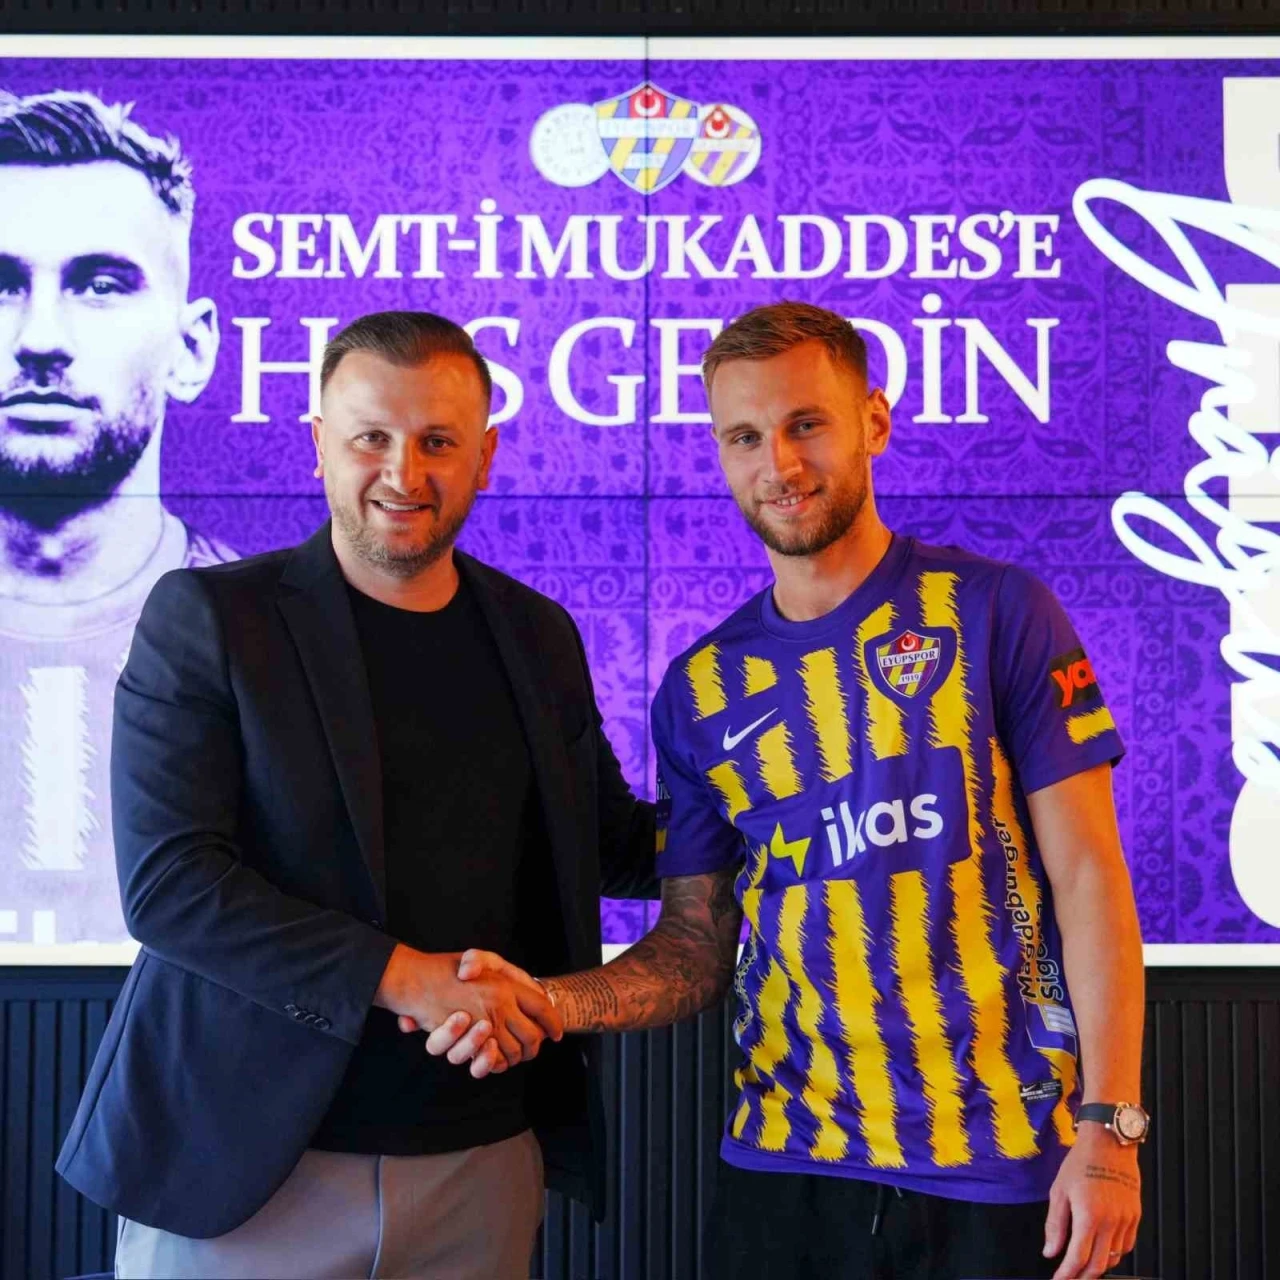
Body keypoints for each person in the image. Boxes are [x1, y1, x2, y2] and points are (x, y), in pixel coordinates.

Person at [440, 302, 1148, 1280]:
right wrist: (552, 1002)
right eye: (743, 436)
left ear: (873, 422)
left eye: (804, 423)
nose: (778, 463)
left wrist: (1109, 1127)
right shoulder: (700, 688)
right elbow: (694, 948)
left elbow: (1089, 878)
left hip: (1006, 1164)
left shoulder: (995, 611)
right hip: (784, 1167)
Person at [55, 310, 656, 1279]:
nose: (402, 473)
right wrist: (411, 976)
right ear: (319, 444)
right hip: (245, 1165)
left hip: (480, 1161)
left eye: (437, 442)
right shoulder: (211, 617)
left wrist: (802, 813)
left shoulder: (537, 633)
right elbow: (171, 886)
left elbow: (612, 844)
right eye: (371, 436)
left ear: (486, 454)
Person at [0, 89, 233, 949]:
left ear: (191, 348)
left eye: (100, 285)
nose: (40, 339)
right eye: (0, 286)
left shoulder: (288, 645)